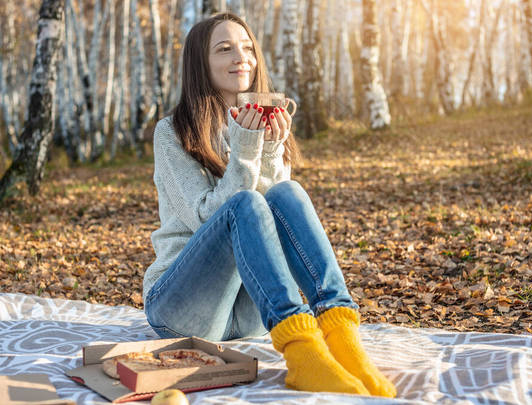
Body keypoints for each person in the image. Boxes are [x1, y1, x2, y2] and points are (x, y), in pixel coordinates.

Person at [142, 12, 396, 397]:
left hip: (250, 314)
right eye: (224, 49)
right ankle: (303, 355)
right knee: (244, 203)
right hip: (180, 308)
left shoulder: (267, 119)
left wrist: (271, 150)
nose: (241, 57)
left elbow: (274, 219)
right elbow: (207, 219)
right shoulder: (172, 132)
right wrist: (245, 148)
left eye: (247, 48)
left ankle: (341, 335)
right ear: (200, 63)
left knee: (288, 192)